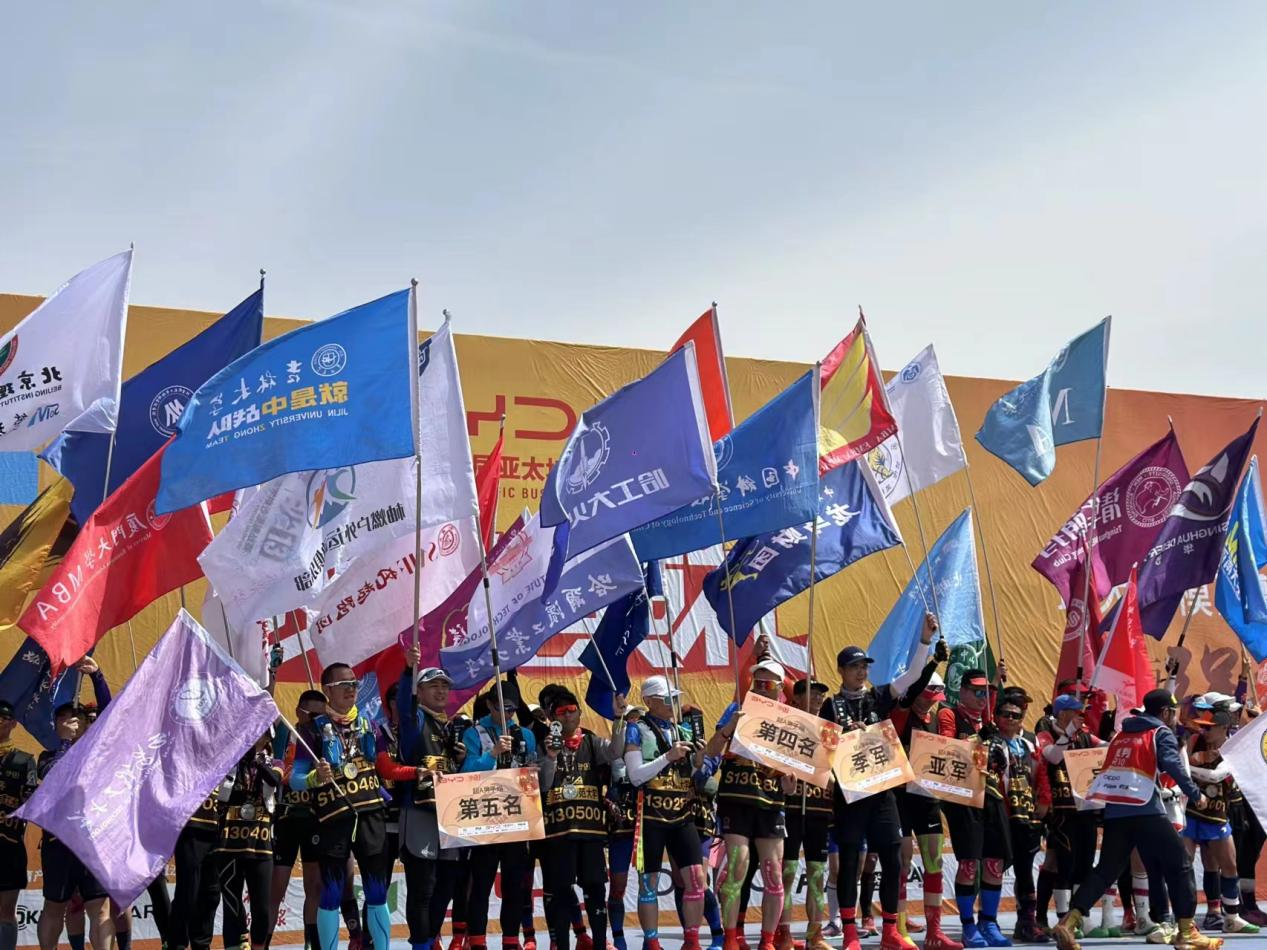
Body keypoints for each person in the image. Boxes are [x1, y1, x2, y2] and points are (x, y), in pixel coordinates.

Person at [1050, 689, 1221, 950]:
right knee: (1181, 865)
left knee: (1105, 870)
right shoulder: (1160, 732)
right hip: (1145, 808)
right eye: (1172, 712)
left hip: (1116, 811)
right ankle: (1187, 931)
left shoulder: (1122, 735)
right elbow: (1172, 765)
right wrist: (1196, 794)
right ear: (1165, 712)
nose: (1174, 717)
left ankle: (1068, 922)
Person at [820, 614, 939, 950]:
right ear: (841, 670)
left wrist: (925, 641)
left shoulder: (878, 698)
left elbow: (912, 677)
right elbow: (823, 749)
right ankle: (850, 933)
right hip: (851, 796)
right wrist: (847, 735)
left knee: (893, 858)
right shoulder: (830, 706)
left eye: (864, 666)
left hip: (883, 793)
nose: (861, 672)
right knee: (850, 862)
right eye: (854, 667)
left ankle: (890, 931)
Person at [290, 663, 392, 950]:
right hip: (333, 819)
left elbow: (386, 767)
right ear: (327, 690)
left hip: (370, 814)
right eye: (343, 685)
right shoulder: (312, 731)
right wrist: (314, 777)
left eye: (354, 684)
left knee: (377, 892)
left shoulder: (371, 725)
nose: (351, 689)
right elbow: (295, 779)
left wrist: (417, 771)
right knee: (331, 893)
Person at [699, 659, 796, 950]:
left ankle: (767, 941)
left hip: (771, 803)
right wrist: (729, 728)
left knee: (774, 875)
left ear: (779, 688)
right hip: (737, 799)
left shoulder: (789, 719)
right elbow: (711, 751)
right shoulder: (736, 708)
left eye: (768, 684)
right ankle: (730, 939)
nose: (762, 689)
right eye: (757, 683)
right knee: (737, 869)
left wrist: (790, 784)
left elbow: (792, 774)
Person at [625, 674, 706, 950]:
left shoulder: (682, 730)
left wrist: (698, 761)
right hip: (650, 815)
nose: (674, 703)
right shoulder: (636, 729)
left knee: (696, 878)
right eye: (667, 699)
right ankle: (652, 942)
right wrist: (667, 757)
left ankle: (692, 940)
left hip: (681, 813)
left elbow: (690, 773)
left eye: (675, 698)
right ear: (649, 701)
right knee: (649, 882)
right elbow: (636, 776)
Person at [37, 659, 114, 950]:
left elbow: (112, 715)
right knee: (54, 907)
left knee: (100, 909)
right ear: (56, 725)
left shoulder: (97, 751)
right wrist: (67, 743)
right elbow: (55, 776)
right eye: (64, 719)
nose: (71, 722)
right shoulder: (46, 756)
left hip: (92, 840)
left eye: (77, 718)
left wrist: (97, 675)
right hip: (58, 843)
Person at [539, 688, 624, 950]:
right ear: (552, 718)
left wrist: (618, 719)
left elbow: (615, 751)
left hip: (590, 831)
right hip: (558, 832)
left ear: (579, 713)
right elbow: (543, 785)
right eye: (560, 712)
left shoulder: (591, 741)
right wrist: (550, 757)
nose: (567, 716)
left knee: (596, 889)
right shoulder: (544, 744)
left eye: (571, 710)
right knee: (561, 892)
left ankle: (599, 944)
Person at [460, 679, 538, 950]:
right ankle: (477, 941)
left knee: (514, 884)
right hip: (485, 817)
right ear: (490, 705)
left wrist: (533, 772)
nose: (507, 715)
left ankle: (511, 940)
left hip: (515, 815)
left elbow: (530, 769)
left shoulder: (524, 734)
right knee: (481, 883)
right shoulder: (474, 733)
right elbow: (466, 773)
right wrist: (493, 753)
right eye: (501, 708)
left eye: (512, 710)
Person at [937, 668, 1012, 948]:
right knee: (969, 864)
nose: (983, 698)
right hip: (964, 797)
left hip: (991, 794)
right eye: (977, 692)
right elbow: (947, 750)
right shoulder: (949, 714)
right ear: (963, 691)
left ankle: (989, 921)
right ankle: (968, 926)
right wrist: (979, 739)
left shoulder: (987, 719)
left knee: (995, 862)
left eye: (986, 693)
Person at [887, 659, 959, 950]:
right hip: (900, 796)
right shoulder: (901, 713)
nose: (931, 702)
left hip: (928, 797)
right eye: (927, 695)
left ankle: (934, 932)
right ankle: (900, 930)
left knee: (934, 862)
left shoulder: (940, 718)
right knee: (902, 862)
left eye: (935, 697)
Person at [397, 652, 465, 950]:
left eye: (444, 686)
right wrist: (408, 671)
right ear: (420, 691)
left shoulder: (448, 727)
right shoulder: (416, 720)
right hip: (420, 812)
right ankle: (420, 946)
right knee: (422, 888)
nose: (441, 691)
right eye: (433, 686)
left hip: (448, 816)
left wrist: (460, 758)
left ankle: (429, 939)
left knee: (446, 886)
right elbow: (404, 706)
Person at [1184, 696, 1259, 933]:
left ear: (1224, 727)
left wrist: (1185, 771)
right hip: (1190, 812)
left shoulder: (1233, 748)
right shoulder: (1194, 740)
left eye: (1210, 728)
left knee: (1228, 865)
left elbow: (1216, 776)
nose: (1204, 731)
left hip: (1217, 814)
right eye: (1203, 726)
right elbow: (1181, 758)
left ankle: (1232, 917)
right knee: (1184, 866)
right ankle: (1186, 918)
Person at [1035, 693, 1103, 934]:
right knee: (1063, 864)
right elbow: (1052, 756)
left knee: (1084, 864)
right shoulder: (1046, 731)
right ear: (1063, 713)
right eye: (1076, 711)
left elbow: (1104, 745)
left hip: (1085, 807)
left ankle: (1078, 917)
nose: (1080, 716)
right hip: (1060, 810)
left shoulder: (1083, 734)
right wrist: (1068, 733)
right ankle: (1058, 917)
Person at [271, 689, 328, 950]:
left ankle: (310, 943)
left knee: (314, 887)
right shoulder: (285, 733)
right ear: (298, 712)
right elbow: (275, 769)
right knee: (276, 888)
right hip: (286, 818)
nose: (317, 720)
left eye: (321, 716)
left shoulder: (326, 738)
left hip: (314, 819)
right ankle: (263, 942)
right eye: (312, 715)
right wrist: (295, 775)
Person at [780, 678, 833, 950]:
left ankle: (815, 935)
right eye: (812, 694)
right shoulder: (786, 725)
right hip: (790, 809)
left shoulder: (830, 731)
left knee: (816, 874)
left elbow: (836, 772)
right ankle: (783, 934)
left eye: (821, 694)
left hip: (819, 810)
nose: (818, 698)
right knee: (787, 873)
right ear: (797, 698)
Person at [217, 733, 283, 950]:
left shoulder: (275, 763)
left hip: (261, 844)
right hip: (230, 843)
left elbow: (274, 780)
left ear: (268, 739)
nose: (254, 736)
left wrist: (256, 760)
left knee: (261, 907)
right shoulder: (230, 761)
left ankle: (258, 946)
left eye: (260, 733)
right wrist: (239, 757)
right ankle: (235, 943)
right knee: (231, 903)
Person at [995, 692, 1046, 944]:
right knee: (992, 868)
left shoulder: (1029, 743)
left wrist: (1044, 800)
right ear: (996, 716)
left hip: (1026, 815)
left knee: (1025, 870)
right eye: (1005, 714)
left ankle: (1026, 922)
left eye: (1016, 715)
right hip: (1000, 814)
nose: (1011, 718)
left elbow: (1041, 773)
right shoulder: (990, 741)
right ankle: (986, 922)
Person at [0, 699, 36, 950]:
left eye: (3, 718)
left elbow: (32, 803)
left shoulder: (24, 760)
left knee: (5, 911)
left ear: (13, 723)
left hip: (9, 847)